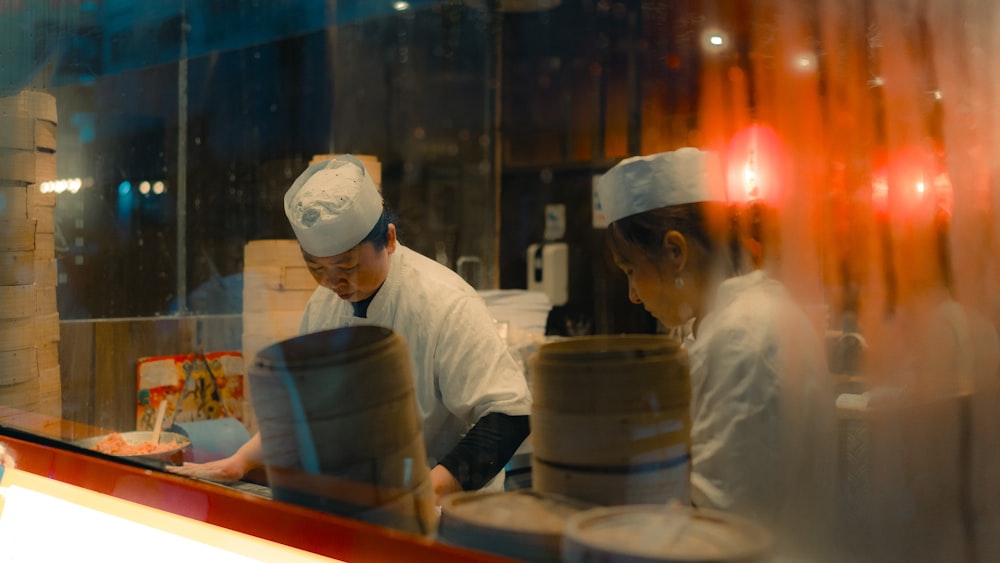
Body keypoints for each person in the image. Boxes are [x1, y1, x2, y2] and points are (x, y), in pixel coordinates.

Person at [170, 154, 532, 502]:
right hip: (360, 503)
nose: (333, 284)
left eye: (347, 267)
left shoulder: (445, 304)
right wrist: (241, 461)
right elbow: (305, 409)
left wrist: (423, 493)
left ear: (389, 240)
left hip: (446, 512)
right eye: (316, 268)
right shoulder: (323, 304)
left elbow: (509, 416)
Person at [595, 148, 837, 560]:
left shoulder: (744, 336)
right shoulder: (727, 322)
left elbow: (721, 524)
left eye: (631, 270)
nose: (633, 295)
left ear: (675, 252)